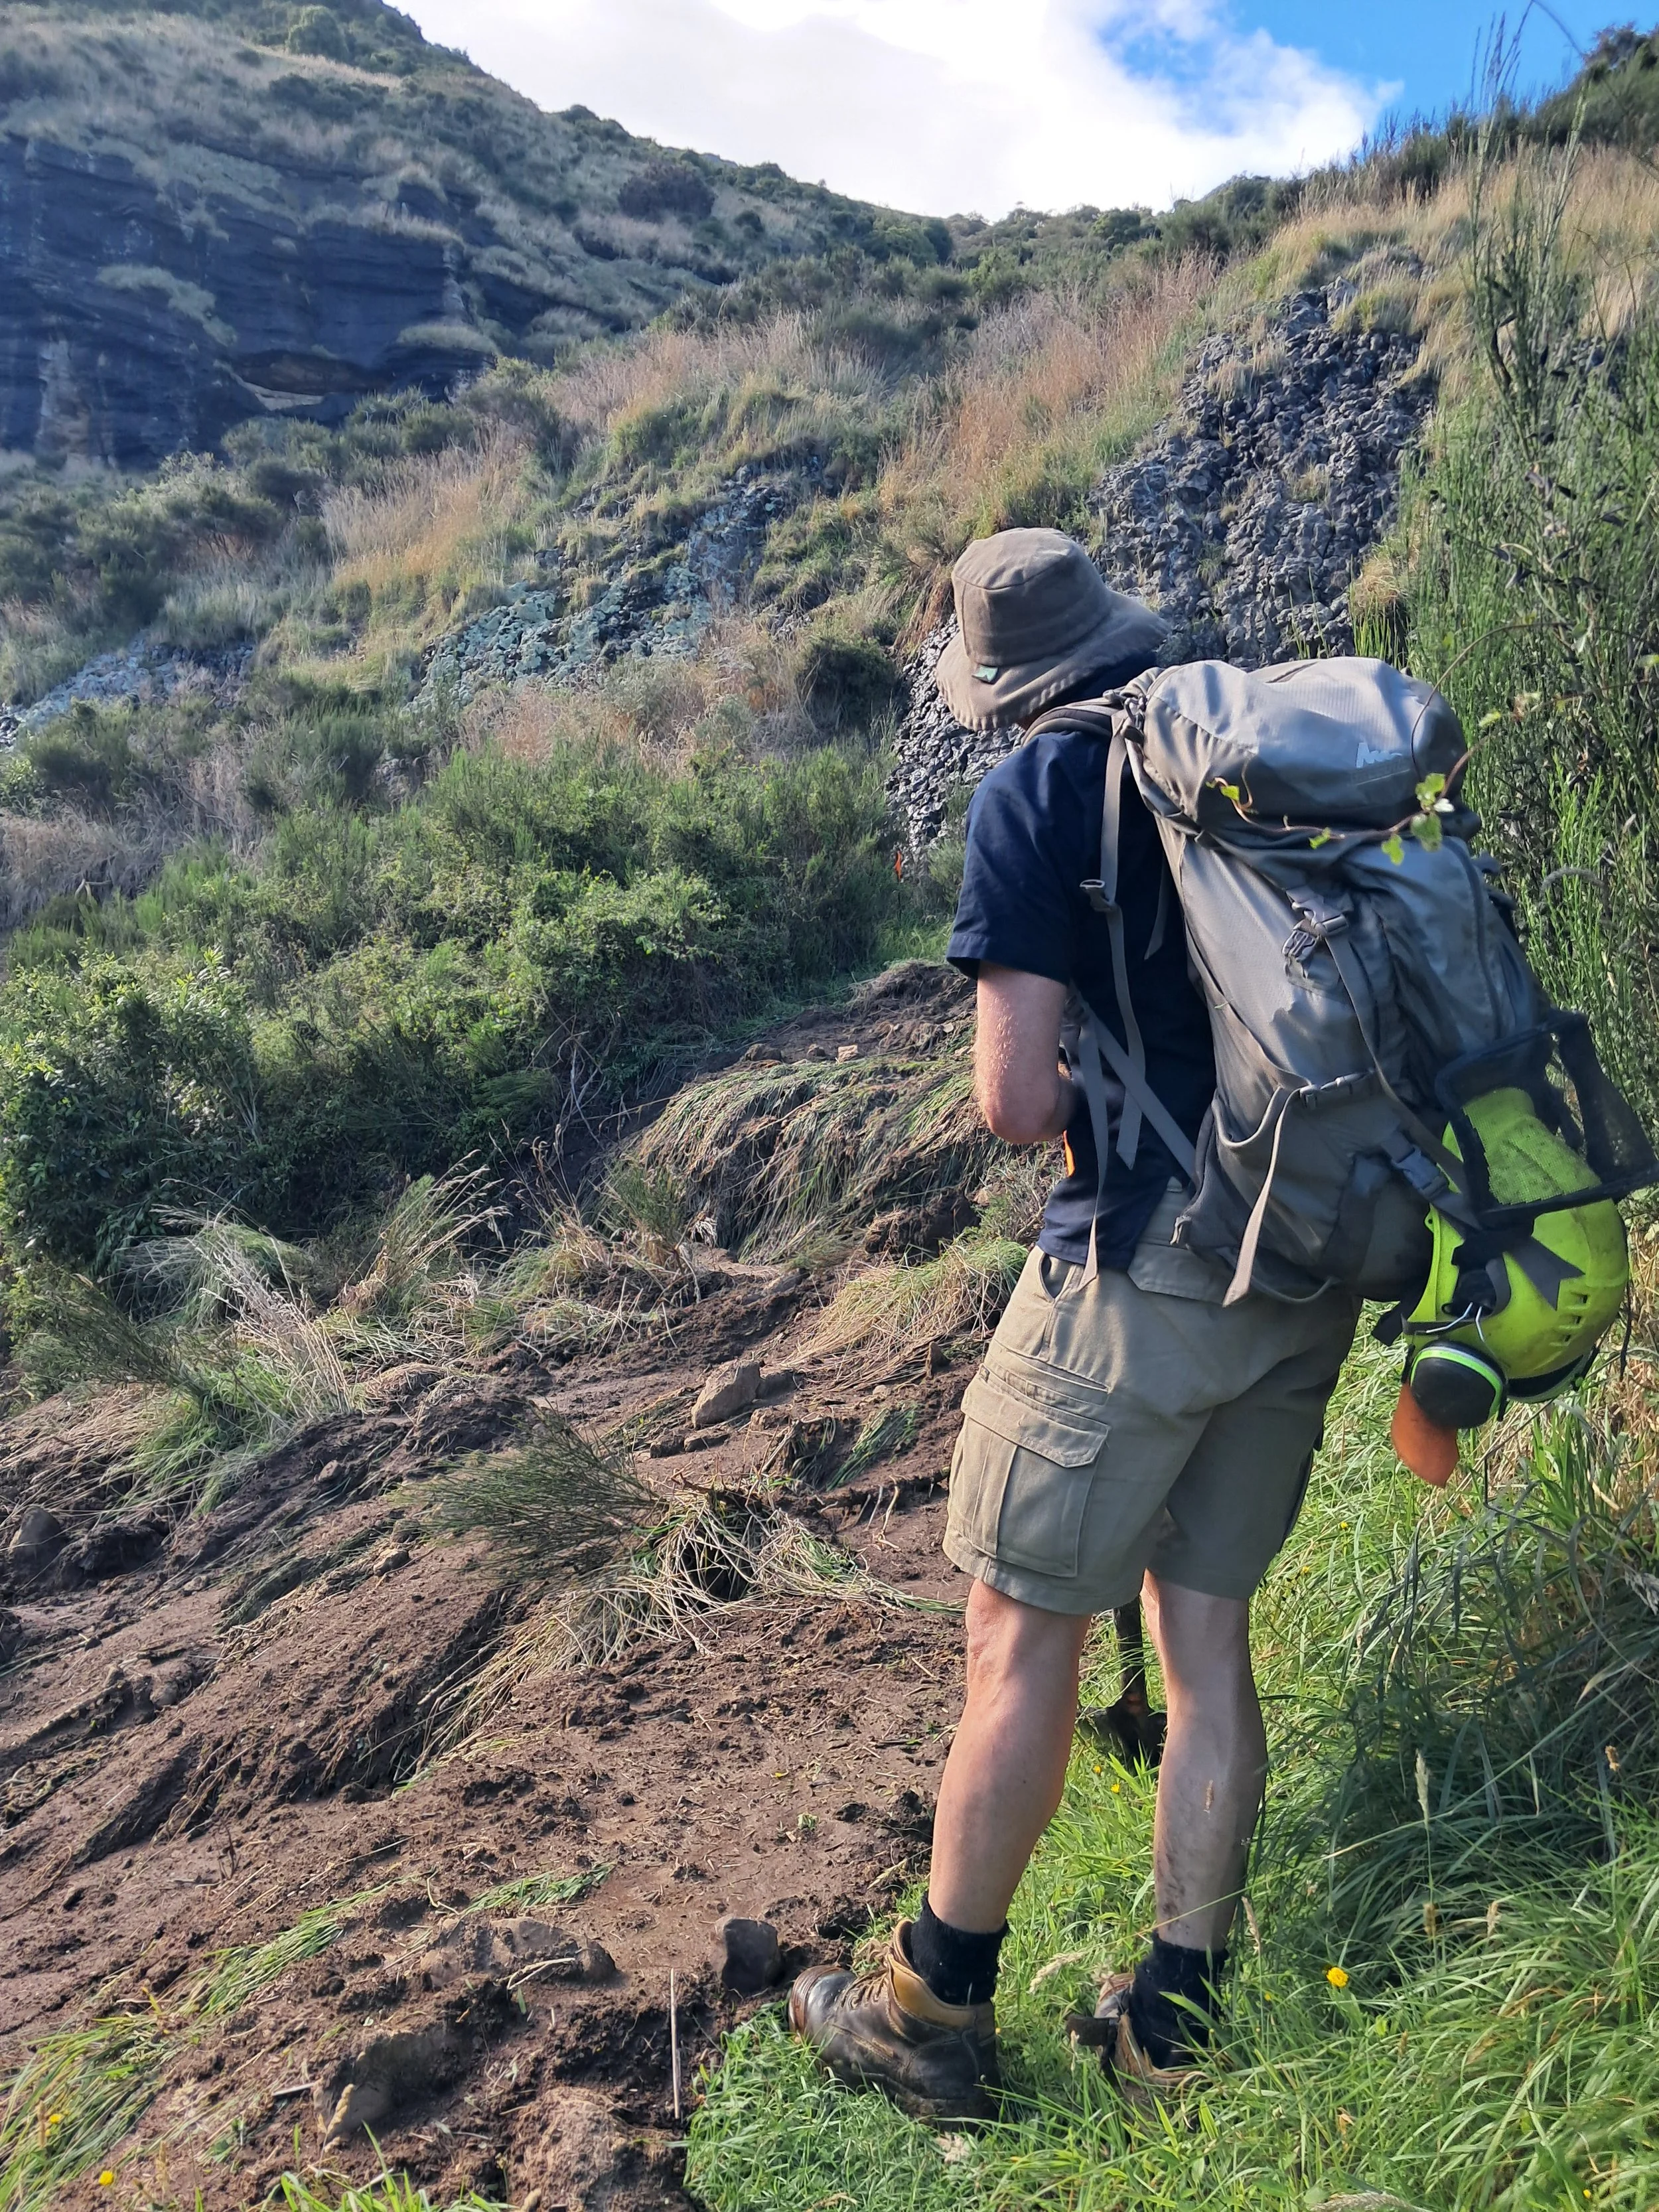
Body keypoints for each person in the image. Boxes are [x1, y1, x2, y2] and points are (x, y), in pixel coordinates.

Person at [789, 527, 1361, 2116]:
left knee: (1015, 1635)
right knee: (1205, 1647)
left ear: (993, 678)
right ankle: (1167, 2031)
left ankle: (926, 2011)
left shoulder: (1034, 793)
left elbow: (1011, 1095)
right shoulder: (1246, 747)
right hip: (1303, 1258)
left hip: (1143, 1268)